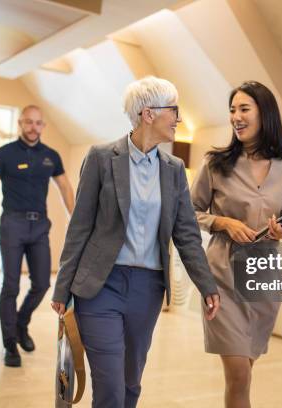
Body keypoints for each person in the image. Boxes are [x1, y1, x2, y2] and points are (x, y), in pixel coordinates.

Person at [51, 76, 220, 408]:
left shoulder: (173, 169)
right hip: (101, 286)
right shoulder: (101, 157)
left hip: (148, 290)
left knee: (130, 384)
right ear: (149, 114)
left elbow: (186, 233)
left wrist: (207, 285)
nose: (179, 119)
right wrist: (62, 287)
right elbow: (80, 226)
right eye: (174, 110)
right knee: (110, 386)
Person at [190, 81, 282, 408]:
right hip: (221, 278)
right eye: (232, 110)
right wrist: (223, 222)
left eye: (244, 109)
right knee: (238, 373)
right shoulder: (216, 164)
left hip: (264, 278)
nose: (235, 117)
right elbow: (188, 211)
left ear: (264, 114)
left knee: (246, 371)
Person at [0, 105, 75, 367]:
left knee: (42, 283)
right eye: (29, 122)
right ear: (20, 123)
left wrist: (76, 222)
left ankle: (20, 323)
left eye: (38, 123)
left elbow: (65, 187)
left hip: (40, 226)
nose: (33, 127)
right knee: (11, 285)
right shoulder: (3, 154)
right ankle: (10, 345)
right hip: (12, 224)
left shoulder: (51, 156)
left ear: (44, 126)